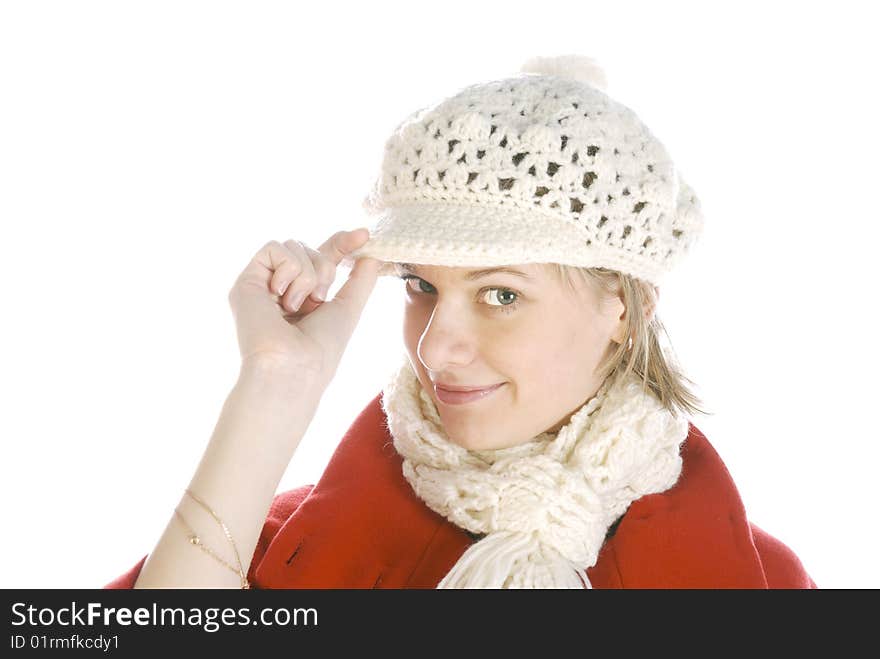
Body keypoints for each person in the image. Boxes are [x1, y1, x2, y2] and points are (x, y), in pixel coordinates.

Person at [105, 55, 816, 589]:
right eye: (418, 285)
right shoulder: (249, 546)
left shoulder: (763, 582)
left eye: (501, 294)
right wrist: (271, 390)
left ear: (624, 308)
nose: (436, 345)